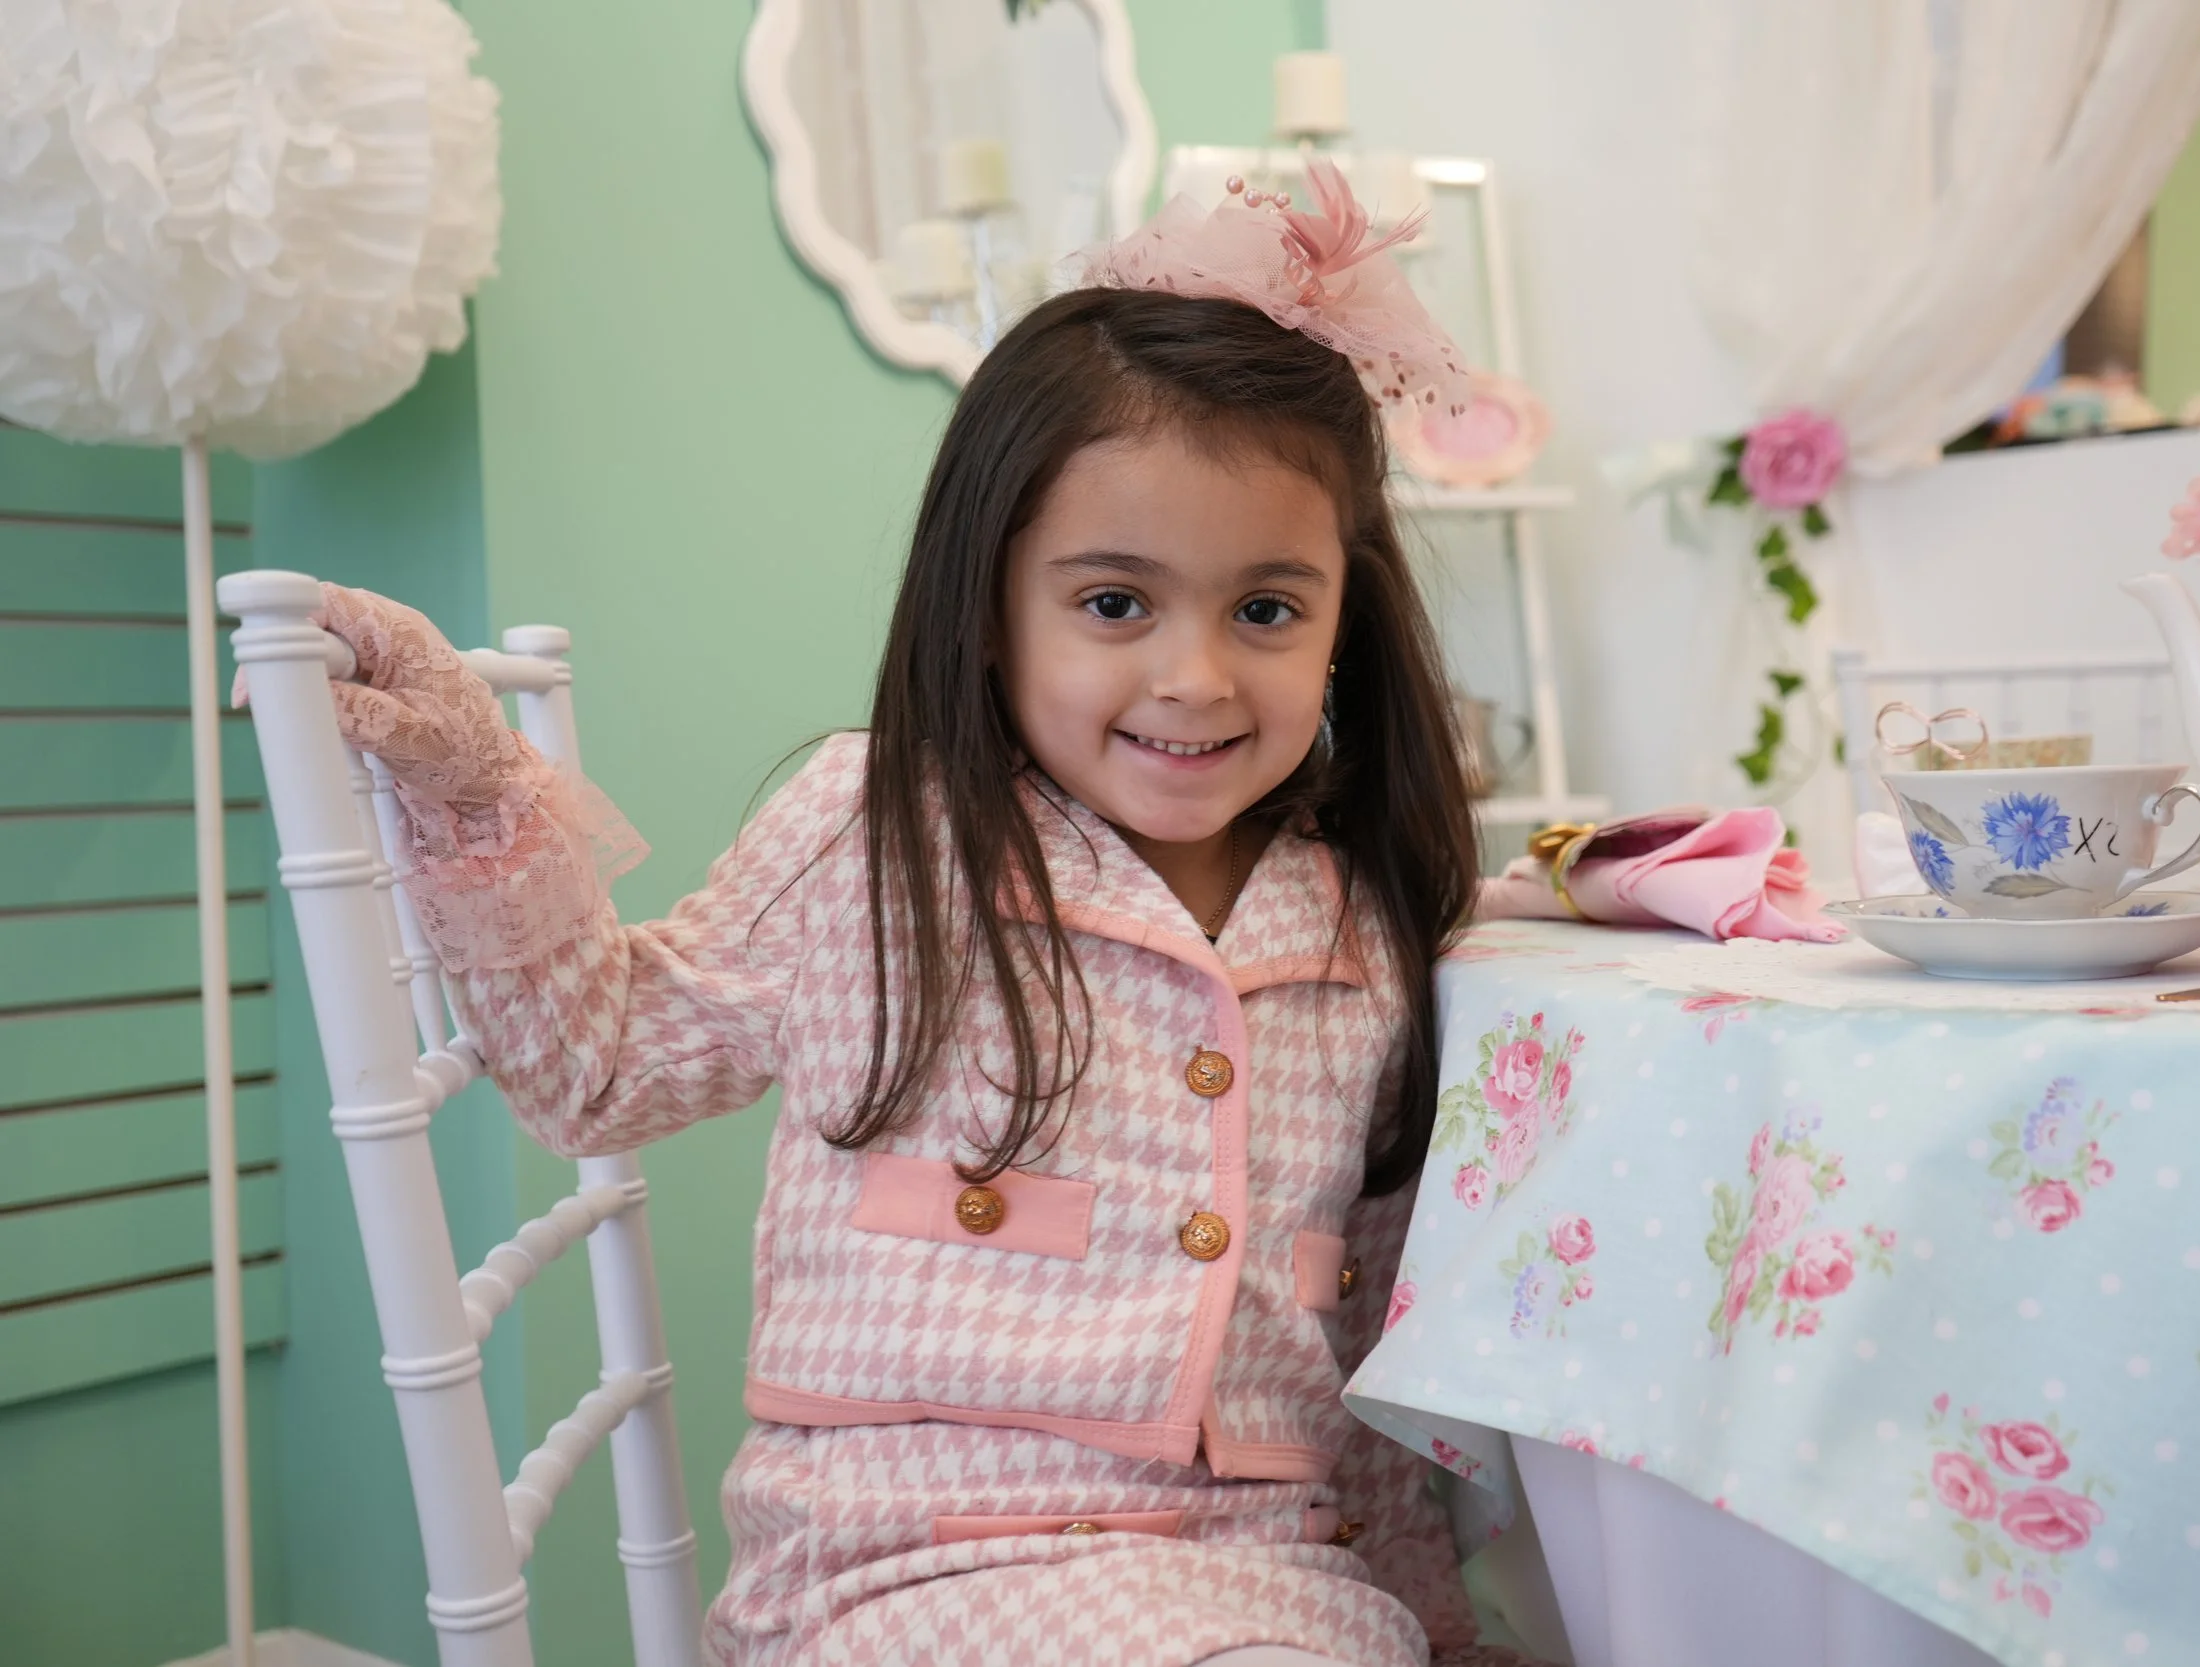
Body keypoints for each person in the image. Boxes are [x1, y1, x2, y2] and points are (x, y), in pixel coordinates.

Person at [307, 164, 1523, 1665]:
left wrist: (1437, 1623)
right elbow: (594, 1067)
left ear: (1345, 618)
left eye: (1266, 610)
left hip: (1265, 1575)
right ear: (989, 601)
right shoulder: (876, 836)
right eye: (1115, 603)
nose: (1196, 677)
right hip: (899, 1569)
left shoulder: (1359, 922)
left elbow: (1369, 1329)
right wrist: (472, 783)